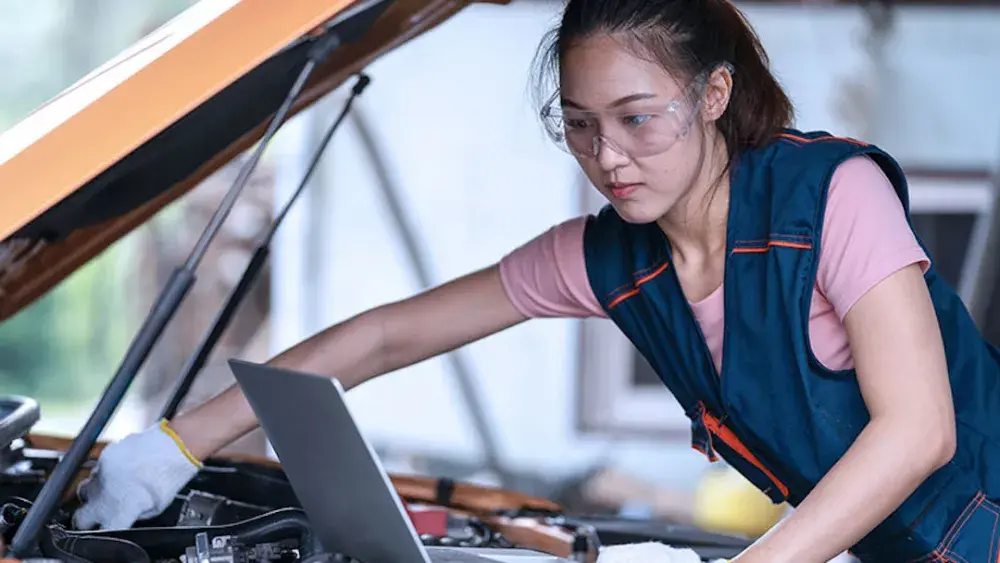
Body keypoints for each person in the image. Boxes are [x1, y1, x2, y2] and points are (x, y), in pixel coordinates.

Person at [72, 0, 1000, 560]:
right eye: (583, 125)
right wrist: (174, 446)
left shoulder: (834, 195)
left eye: (639, 119)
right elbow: (391, 333)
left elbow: (919, 430)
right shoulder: (609, 253)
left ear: (714, 96)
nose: (609, 157)